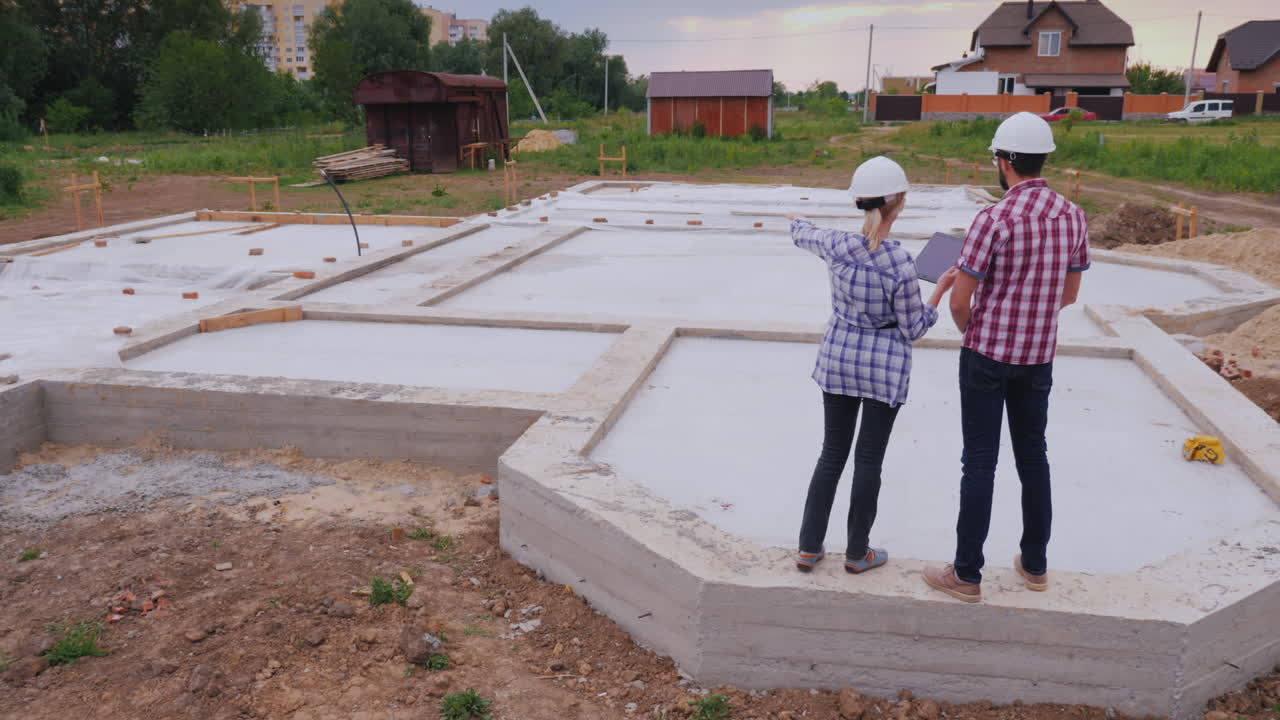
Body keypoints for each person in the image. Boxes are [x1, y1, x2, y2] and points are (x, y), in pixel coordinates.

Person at [922, 112, 1089, 603]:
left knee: (979, 462)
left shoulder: (993, 219)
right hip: (1038, 357)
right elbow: (1070, 294)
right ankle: (1035, 565)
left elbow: (959, 301)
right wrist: (1033, 317)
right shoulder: (1073, 215)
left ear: (1005, 161)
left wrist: (977, 333)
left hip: (987, 356)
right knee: (1033, 455)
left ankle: (967, 575)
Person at [790, 156, 957, 575]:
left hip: (838, 359)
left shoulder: (835, 244)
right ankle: (856, 553)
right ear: (899, 204)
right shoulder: (900, 263)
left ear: (858, 202)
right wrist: (939, 289)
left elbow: (802, 233)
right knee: (868, 460)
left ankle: (808, 548)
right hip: (883, 370)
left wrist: (798, 220)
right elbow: (914, 327)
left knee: (831, 454)